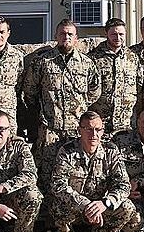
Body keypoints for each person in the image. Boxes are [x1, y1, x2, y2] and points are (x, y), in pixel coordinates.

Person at [22, 19, 101, 196]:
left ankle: (71, 217)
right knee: (47, 174)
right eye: (62, 33)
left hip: (77, 131)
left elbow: (94, 92)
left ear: (76, 38)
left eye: (70, 34)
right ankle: (47, 219)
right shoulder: (42, 62)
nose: (66, 37)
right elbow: (30, 92)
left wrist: (78, 108)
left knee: (75, 174)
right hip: (50, 130)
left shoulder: (87, 64)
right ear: (56, 36)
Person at [50, 111, 135, 232]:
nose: (93, 134)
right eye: (88, 129)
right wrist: (85, 204)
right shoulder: (67, 151)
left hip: (99, 208)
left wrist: (105, 202)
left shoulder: (111, 151)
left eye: (98, 129)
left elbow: (123, 184)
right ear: (79, 130)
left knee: (127, 207)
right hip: (74, 206)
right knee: (57, 203)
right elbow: (58, 184)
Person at [88, 18, 141, 136]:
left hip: (126, 124)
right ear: (106, 33)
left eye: (121, 34)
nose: (118, 37)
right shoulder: (93, 59)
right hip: (100, 124)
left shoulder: (132, 58)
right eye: (114, 34)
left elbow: (140, 87)